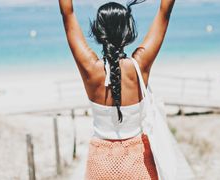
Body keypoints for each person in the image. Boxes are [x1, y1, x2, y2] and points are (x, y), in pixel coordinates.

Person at [59, 0, 177, 179]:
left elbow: (68, 15)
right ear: (128, 31)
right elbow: (164, 12)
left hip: (100, 166)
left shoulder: (91, 69)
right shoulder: (139, 66)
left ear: (99, 32)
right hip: (138, 164)